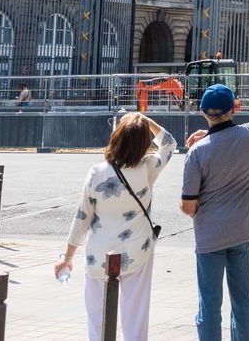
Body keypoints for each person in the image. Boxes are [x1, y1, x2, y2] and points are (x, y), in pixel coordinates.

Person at [54, 112, 175, 341]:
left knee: (97, 316)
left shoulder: (97, 173)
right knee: (136, 313)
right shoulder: (149, 167)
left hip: (99, 253)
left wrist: (67, 257)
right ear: (143, 143)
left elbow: (82, 218)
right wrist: (144, 120)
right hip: (137, 250)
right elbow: (169, 143)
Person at [181, 84, 249, 341]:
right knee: (242, 301)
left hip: (210, 237)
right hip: (242, 231)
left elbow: (188, 206)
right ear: (235, 108)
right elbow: (230, 134)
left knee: (209, 304)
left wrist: (206, 136)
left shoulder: (197, 152)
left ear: (202, 112)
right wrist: (209, 133)